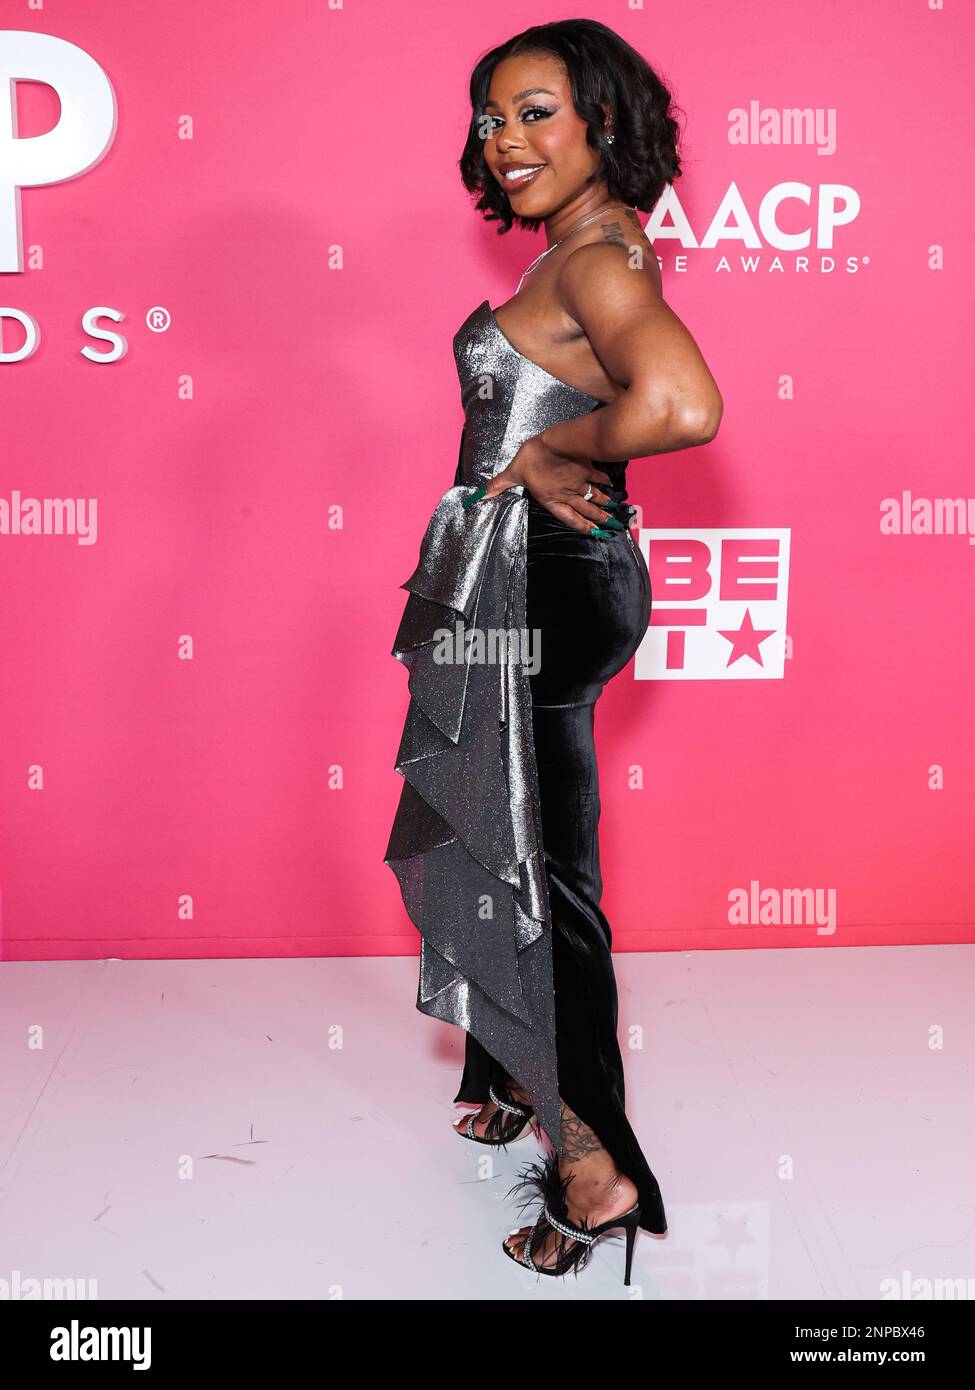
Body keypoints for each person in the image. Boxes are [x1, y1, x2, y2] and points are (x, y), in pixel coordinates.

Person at [385, 18, 722, 1283]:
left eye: (536, 111)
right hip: (513, 579)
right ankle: (506, 1067)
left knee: (543, 869)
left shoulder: (599, 261)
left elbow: (683, 405)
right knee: (494, 824)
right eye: (492, 117)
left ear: (603, 123)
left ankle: (595, 1163)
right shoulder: (579, 252)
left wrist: (552, 453)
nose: (507, 139)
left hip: (548, 585)